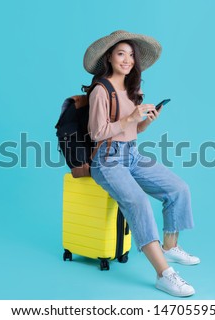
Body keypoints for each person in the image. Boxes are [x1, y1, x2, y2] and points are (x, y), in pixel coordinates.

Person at [83, 30, 200, 297]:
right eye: (121, 54)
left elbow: (135, 130)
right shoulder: (101, 90)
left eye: (131, 55)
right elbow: (97, 133)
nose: (127, 60)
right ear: (109, 58)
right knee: (138, 202)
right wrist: (130, 118)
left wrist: (146, 119)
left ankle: (169, 248)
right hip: (107, 160)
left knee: (178, 189)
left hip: (132, 155)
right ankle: (164, 275)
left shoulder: (134, 89)